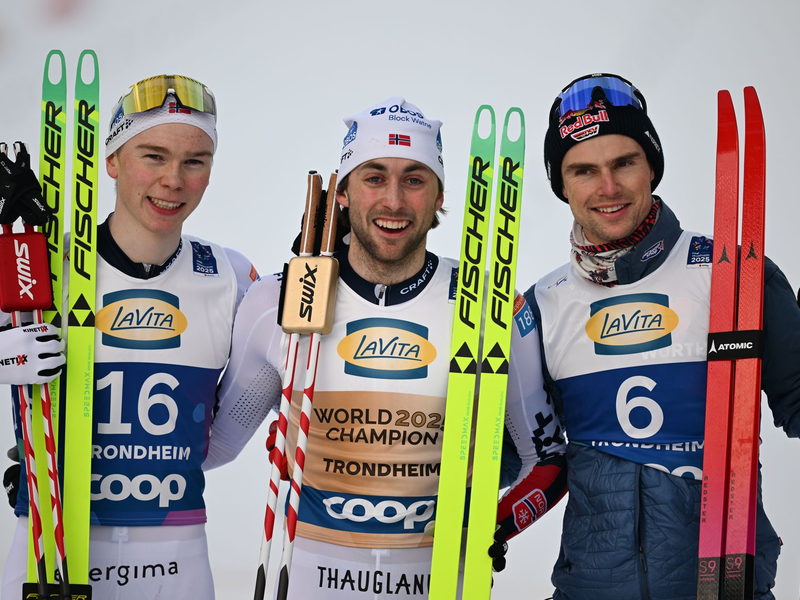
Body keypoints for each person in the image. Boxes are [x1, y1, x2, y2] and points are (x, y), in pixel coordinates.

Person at [209, 96, 567, 599]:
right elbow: (214, 446)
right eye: (374, 176)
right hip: (310, 581)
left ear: (440, 195)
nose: (394, 201)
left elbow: (548, 458)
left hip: (441, 582)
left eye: (414, 179)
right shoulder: (282, 298)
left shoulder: (490, 305)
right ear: (343, 193)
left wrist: (498, 525)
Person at [523, 73, 800, 599]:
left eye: (623, 163)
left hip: (722, 584)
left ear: (651, 165)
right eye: (583, 170)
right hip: (588, 588)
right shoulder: (543, 305)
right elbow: (524, 453)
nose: (607, 188)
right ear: (562, 185)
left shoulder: (734, 276)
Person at [1, 74, 258, 600]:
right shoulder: (40, 266)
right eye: (153, 155)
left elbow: (226, 435)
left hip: (176, 557)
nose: (173, 181)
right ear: (113, 161)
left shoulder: (231, 275)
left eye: (195, 161)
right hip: (53, 544)